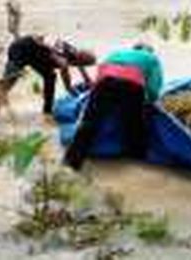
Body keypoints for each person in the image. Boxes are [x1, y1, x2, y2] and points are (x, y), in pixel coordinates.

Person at [62, 43, 163, 171]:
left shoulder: (115, 54)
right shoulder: (151, 58)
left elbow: (99, 78)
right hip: (131, 85)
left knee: (89, 123)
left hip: (105, 83)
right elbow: (154, 87)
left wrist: (95, 99)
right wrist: (149, 102)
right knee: (135, 123)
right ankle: (137, 156)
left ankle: (72, 162)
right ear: (149, 51)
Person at [4, 35, 96, 115]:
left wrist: (88, 80)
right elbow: (64, 72)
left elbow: (81, 67)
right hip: (21, 49)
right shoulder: (64, 59)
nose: (82, 66)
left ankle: (47, 110)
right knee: (10, 79)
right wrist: (68, 88)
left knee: (50, 77)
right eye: (85, 64)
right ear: (80, 59)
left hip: (34, 56)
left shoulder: (74, 53)